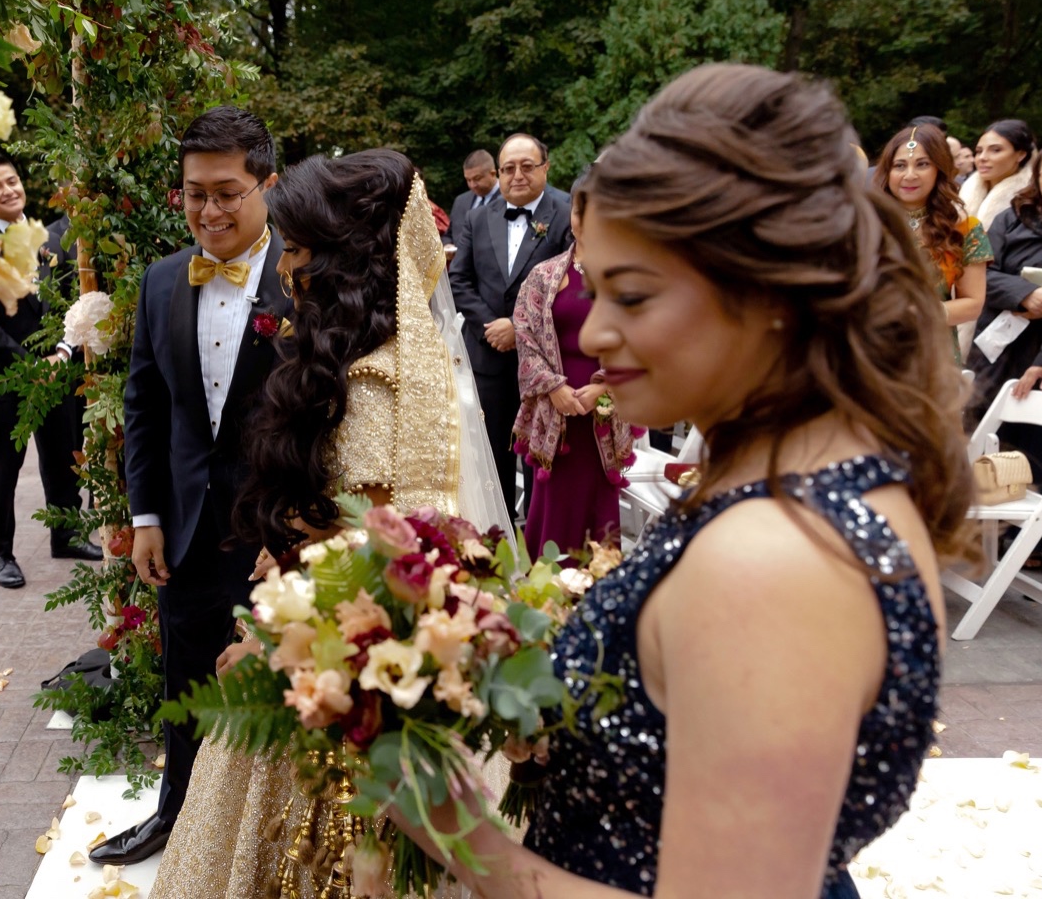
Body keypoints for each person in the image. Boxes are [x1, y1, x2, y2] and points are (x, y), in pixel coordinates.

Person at [392, 63, 971, 899]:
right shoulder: (826, 474)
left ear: (763, 291)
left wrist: (458, 832)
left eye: (632, 294)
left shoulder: (775, 559)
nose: (596, 328)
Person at [148, 148, 511, 899]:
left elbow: (384, 551)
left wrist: (269, 633)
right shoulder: (361, 359)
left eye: (303, 250)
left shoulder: (378, 383)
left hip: (336, 663)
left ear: (350, 261)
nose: (288, 266)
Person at [101, 107, 290, 866]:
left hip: (279, 532)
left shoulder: (305, 278)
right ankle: (175, 819)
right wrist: (145, 514)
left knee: (278, 687)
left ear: (267, 185)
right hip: (182, 528)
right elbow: (144, 406)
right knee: (184, 681)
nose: (208, 211)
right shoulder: (160, 281)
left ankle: (262, 847)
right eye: (192, 194)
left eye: (227, 193)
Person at [0, 151, 98, 590]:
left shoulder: (46, 238)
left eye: (11, 181)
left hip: (58, 370)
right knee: (4, 466)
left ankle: (67, 535)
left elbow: (73, 297)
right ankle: (2, 554)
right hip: (5, 379)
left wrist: (64, 351)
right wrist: (33, 366)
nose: (8, 191)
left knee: (62, 456)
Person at [449, 133, 572, 520]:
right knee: (492, 458)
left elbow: (574, 282)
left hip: (546, 364)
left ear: (545, 168)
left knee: (541, 460)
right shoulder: (476, 216)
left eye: (527, 166)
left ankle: (538, 540)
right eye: (508, 168)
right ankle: (497, 541)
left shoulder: (566, 213)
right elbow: (459, 279)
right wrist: (491, 325)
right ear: (498, 173)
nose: (517, 175)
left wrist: (518, 329)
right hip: (488, 359)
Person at [512, 180, 630, 558]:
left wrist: (603, 389)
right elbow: (524, 335)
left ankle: (598, 600)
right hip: (555, 416)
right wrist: (553, 388)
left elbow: (641, 343)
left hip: (603, 417)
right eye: (582, 211)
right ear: (571, 215)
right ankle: (543, 597)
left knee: (599, 514)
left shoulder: (631, 279)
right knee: (553, 511)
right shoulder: (544, 276)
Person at [872, 124, 991, 364]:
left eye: (922, 164)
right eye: (899, 165)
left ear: (939, 169)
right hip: (868, 348)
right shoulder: (863, 222)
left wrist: (919, 313)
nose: (909, 175)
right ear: (887, 171)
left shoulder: (964, 229)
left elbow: (973, 304)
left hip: (931, 355)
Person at [1000, 139, 1042, 400]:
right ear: (1037, 179)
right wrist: (1025, 293)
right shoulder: (1011, 219)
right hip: (1008, 342)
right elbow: (983, 273)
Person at [960, 119, 1036, 230]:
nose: (982, 158)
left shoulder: (1031, 199)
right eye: (979, 151)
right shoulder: (963, 191)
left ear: (1020, 154)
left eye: (995, 150)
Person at [445, 148, 501, 245]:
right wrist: (447, 245)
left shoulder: (510, 200)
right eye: (468, 180)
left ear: (493, 174)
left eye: (477, 179)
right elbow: (448, 235)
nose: (472, 185)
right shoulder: (460, 201)